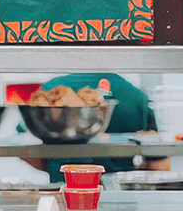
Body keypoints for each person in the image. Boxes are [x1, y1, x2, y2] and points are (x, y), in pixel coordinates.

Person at [25, 73, 170, 183]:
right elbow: (159, 166)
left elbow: (27, 150)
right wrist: (125, 172)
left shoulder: (51, 91)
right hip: (121, 201)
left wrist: (58, 165)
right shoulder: (135, 95)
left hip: (65, 196)